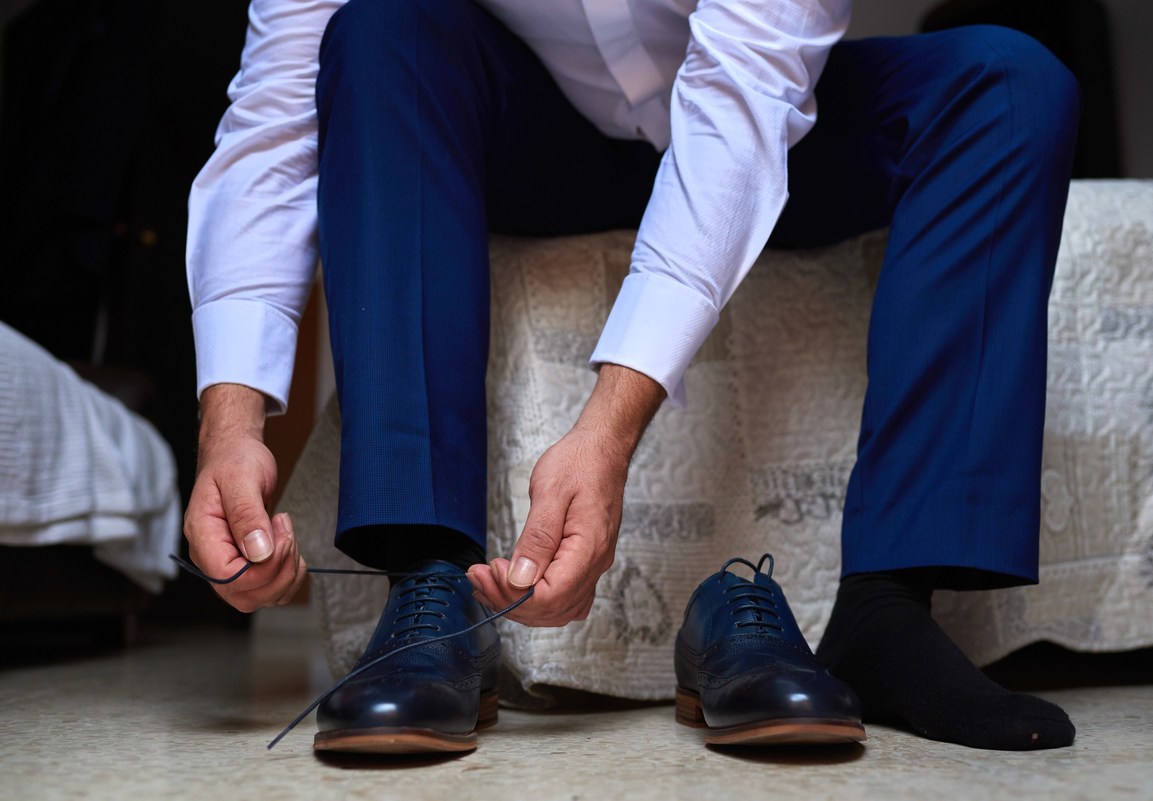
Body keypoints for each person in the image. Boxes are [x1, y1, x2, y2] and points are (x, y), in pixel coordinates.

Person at [184, 0, 1080, 754]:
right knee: (381, 29)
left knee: (1007, 84)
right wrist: (231, 423)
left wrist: (607, 428)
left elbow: (743, 98)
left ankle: (888, 609)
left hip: (769, 123)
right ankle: (430, 584)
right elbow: (277, 108)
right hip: (533, 129)